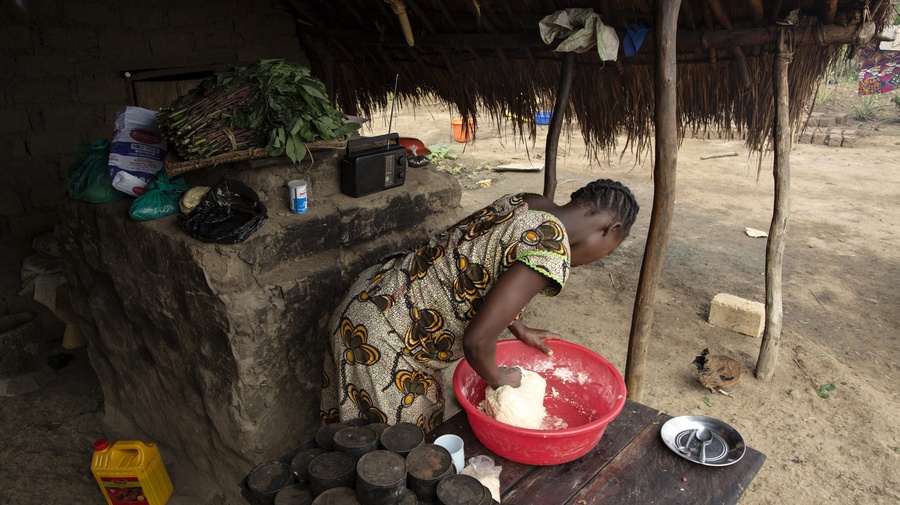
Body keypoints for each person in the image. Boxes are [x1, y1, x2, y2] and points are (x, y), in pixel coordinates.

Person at [319, 179, 639, 432]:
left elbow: (486, 262)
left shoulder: (532, 203)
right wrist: (499, 377)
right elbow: (477, 342)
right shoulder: (552, 249)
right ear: (612, 230)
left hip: (373, 296)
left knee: (368, 442)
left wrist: (518, 325)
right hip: (383, 342)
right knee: (390, 458)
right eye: (609, 250)